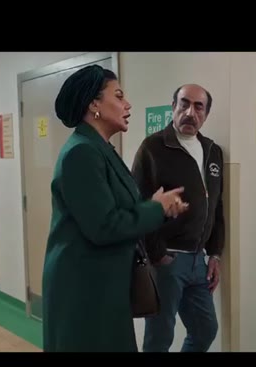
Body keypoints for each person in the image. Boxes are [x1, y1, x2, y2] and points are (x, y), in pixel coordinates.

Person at [42, 65, 188, 352]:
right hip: (83, 289)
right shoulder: (81, 152)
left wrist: (155, 206)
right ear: (94, 104)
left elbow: (116, 209)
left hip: (104, 285)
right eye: (119, 96)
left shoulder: (100, 148)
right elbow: (104, 226)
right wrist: (156, 209)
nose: (127, 104)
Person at [131, 84, 225, 352]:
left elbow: (217, 206)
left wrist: (215, 253)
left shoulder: (212, 151)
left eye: (198, 107)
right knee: (159, 338)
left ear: (206, 114)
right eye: (184, 104)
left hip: (199, 262)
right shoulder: (153, 148)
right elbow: (138, 205)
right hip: (167, 261)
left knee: (205, 330)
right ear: (173, 107)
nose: (190, 112)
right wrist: (157, 253)